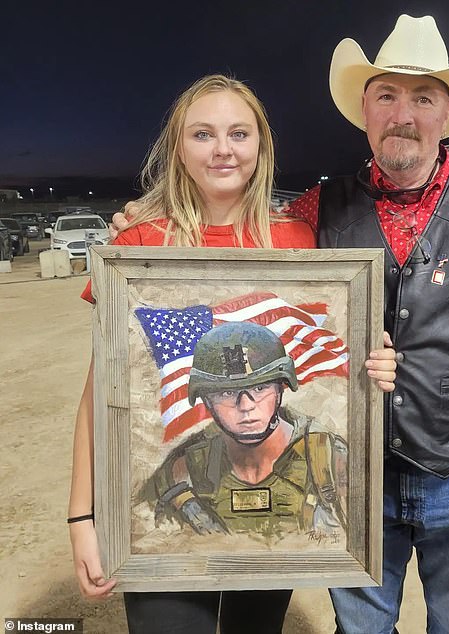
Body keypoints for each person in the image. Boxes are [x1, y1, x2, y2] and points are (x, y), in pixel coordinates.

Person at [112, 16, 449, 632]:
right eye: (386, 95)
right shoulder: (315, 209)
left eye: (423, 97)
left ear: (447, 112)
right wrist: (149, 222)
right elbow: (234, 249)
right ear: (365, 108)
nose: (403, 113)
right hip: (350, 474)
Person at [69, 74, 396, 634]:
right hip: (169, 512)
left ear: (261, 147)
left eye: (238, 133)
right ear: (179, 148)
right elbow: (102, 391)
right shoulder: (139, 245)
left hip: (267, 505)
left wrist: (373, 351)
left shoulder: (299, 239)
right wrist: (82, 515)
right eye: (203, 134)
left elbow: (336, 333)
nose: (222, 149)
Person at [149, 321, 347, 540]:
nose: (246, 406)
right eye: (226, 393)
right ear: (206, 401)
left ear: (280, 389)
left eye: (260, 388)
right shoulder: (181, 471)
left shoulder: (329, 459)